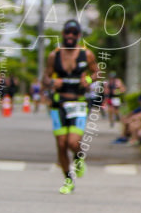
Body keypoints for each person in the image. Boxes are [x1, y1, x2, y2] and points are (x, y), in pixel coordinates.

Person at [41, 19, 99, 195]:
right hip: (58, 104)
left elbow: (97, 72)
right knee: (61, 143)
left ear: (79, 35)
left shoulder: (86, 54)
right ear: (63, 34)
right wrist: (52, 81)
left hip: (78, 102)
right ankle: (68, 179)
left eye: (74, 33)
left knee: (73, 142)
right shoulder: (54, 55)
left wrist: (88, 80)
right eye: (68, 33)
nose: (70, 36)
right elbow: (44, 77)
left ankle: (79, 157)